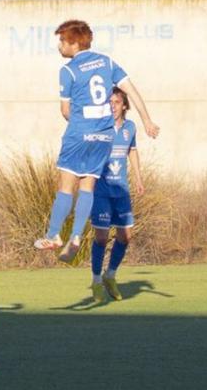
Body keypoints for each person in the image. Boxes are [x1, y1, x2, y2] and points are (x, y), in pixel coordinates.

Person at [34, 20, 159, 263]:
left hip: (79, 135)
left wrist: (81, 122)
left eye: (62, 41)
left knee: (66, 188)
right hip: (104, 136)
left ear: (74, 43)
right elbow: (131, 91)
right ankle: (77, 237)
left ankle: (53, 235)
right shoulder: (107, 62)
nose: (60, 46)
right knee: (87, 187)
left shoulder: (68, 70)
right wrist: (147, 121)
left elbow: (65, 110)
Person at [90, 88, 143, 302]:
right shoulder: (100, 127)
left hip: (121, 191)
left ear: (124, 106)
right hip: (101, 191)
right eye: (109, 102)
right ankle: (96, 281)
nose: (112, 105)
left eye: (116, 102)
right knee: (101, 238)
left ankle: (110, 275)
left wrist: (138, 178)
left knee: (126, 236)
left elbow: (132, 150)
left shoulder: (130, 128)